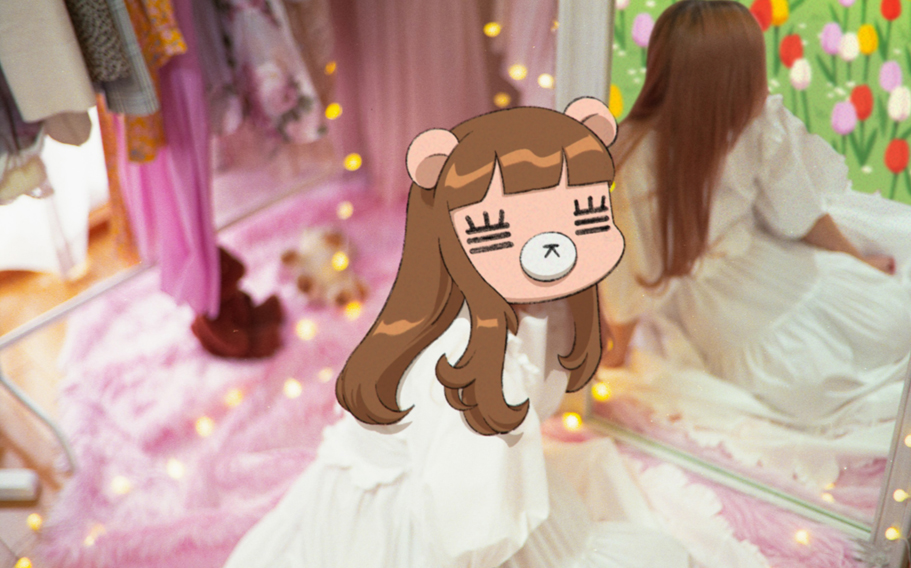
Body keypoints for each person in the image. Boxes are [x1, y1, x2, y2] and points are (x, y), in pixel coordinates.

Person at [222, 100, 691, 568]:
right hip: (413, 524)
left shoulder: (532, 308)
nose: (553, 247)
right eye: (504, 228)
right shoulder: (462, 362)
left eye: (582, 213)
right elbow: (465, 530)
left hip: (451, 486)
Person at [600, 0, 911, 426]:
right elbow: (631, 275)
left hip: (764, 267)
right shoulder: (638, 160)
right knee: (823, 382)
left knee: (889, 329)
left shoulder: (751, 123)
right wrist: (614, 358)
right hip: (721, 299)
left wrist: (855, 260)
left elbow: (797, 208)